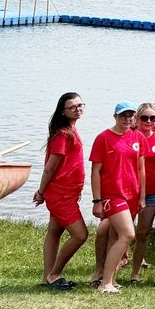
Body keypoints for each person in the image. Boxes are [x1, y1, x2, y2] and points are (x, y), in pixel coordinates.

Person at [89, 102, 146, 294]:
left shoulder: (137, 136)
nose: (128, 119)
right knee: (128, 234)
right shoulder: (103, 138)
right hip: (112, 195)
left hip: (132, 194)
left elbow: (141, 169)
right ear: (115, 116)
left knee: (115, 236)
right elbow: (95, 172)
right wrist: (97, 201)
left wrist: (142, 196)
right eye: (123, 116)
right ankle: (105, 283)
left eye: (131, 116)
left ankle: (110, 279)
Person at [34, 92, 89, 290]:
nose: (78, 109)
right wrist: (41, 192)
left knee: (54, 231)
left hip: (69, 193)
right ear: (63, 112)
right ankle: (54, 274)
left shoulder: (71, 129)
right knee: (80, 235)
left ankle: (47, 276)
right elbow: (50, 167)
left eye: (81, 105)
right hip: (60, 195)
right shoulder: (63, 134)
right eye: (73, 107)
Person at [130, 102, 155, 285]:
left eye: (153, 118)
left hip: (152, 193)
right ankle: (108, 269)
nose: (149, 121)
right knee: (122, 233)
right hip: (128, 192)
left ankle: (135, 273)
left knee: (143, 233)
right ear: (137, 118)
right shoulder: (129, 136)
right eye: (144, 117)